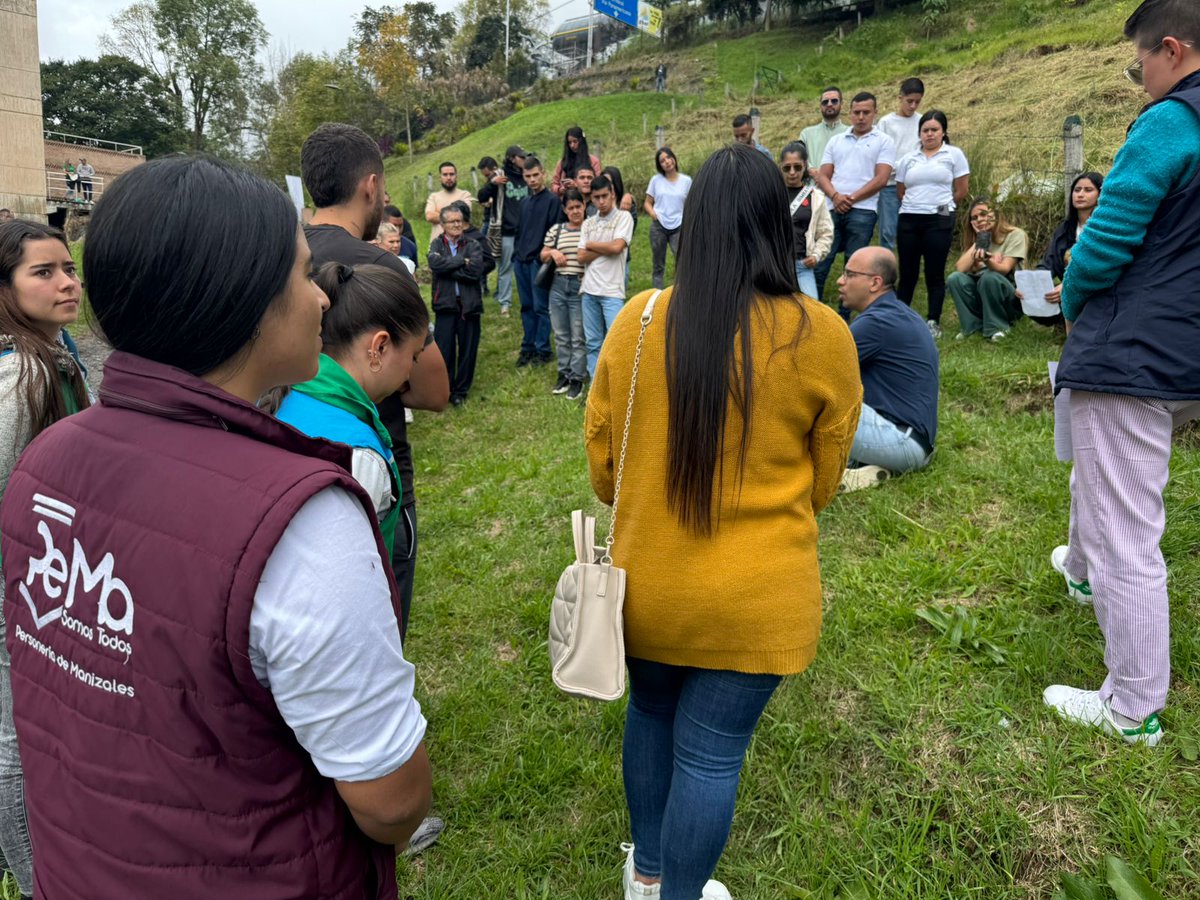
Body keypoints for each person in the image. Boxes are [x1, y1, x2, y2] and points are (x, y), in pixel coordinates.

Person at [0, 154, 432, 897]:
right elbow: (391, 801)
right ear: (237, 300)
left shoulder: (47, 461)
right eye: (301, 277)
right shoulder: (300, 519)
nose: (322, 302)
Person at [584, 143, 860, 900]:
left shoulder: (637, 321)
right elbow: (825, 481)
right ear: (780, 221)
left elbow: (604, 468)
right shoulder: (824, 333)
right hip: (761, 600)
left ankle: (645, 875)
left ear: (693, 221)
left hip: (648, 589)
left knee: (650, 712)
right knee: (710, 757)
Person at [1044, 0, 1200, 748]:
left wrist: (1072, 295)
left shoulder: (1171, 120)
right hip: (1181, 350)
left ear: (1172, 49)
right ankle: (1080, 570)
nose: (1137, 76)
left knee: (1127, 527)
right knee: (1104, 484)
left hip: (1131, 347)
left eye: (1139, 60)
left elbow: (1106, 236)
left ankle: (1132, 703)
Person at [301, 122, 450, 641]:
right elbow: (433, 391)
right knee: (375, 614)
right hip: (374, 463)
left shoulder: (271, 259)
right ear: (370, 186)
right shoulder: (381, 267)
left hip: (281, 461)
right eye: (383, 189)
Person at [0, 220, 92, 900]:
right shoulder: (18, 375)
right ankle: (36, 881)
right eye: (44, 272)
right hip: (15, 588)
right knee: (12, 742)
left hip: (47, 579)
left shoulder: (57, 356)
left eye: (69, 268)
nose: (67, 282)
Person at [275, 261, 429, 563]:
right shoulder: (357, 454)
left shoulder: (288, 393)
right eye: (413, 355)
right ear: (379, 348)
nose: (411, 371)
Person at [836, 247, 938, 491]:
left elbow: (817, 370)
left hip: (900, 442)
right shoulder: (898, 315)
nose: (840, 281)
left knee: (805, 397)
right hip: (913, 444)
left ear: (875, 283)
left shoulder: (877, 322)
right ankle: (861, 469)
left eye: (849, 274)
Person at [812, 92, 897, 315]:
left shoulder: (884, 141)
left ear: (875, 113)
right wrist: (836, 197)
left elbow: (881, 178)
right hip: (832, 207)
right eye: (857, 112)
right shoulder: (836, 140)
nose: (861, 117)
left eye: (866, 112)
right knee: (822, 261)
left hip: (863, 210)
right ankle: (815, 313)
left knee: (854, 267)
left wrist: (851, 198)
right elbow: (823, 175)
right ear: (850, 113)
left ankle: (843, 317)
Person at [894, 109, 970, 338]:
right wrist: (918, 206)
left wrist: (940, 209)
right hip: (909, 218)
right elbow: (900, 191)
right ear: (919, 134)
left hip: (939, 220)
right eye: (925, 130)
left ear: (943, 132)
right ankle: (900, 317)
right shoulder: (908, 159)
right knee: (907, 272)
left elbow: (961, 190)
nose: (929, 134)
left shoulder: (953, 155)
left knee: (934, 272)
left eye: (934, 130)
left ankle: (933, 320)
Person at [428, 205, 493, 405]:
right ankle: (446, 388)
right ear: (442, 225)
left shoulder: (473, 244)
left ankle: (460, 392)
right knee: (445, 350)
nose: (457, 224)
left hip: (469, 306)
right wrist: (461, 261)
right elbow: (435, 265)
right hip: (445, 305)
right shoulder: (436, 244)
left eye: (459, 220)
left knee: (468, 350)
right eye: (452, 221)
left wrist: (448, 267)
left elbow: (475, 271)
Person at [946, 198, 1027, 341]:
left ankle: (997, 328)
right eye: (975, 217)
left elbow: (1004, 269)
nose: (980, 219)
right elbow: (960, 269)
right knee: (955, 279)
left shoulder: (1015, 235)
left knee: (989, 276)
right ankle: (971, 327)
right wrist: (980, 239)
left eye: (984, 214)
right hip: (984, 296)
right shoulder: (977, 239)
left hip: (1011, 299)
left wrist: (987, 261)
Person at [1030, 172, 1103, 328]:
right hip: (1066, 292)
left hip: (1096, 290)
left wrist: (1068, 285)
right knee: (1026, 295)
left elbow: (1100, 268)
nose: (1081, 194)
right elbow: (1048, 262)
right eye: (1077, 190)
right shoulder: (1064, 229)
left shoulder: (1104, 228)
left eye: (1088, 190)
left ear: (1100, 194)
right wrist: (1031, 284)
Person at [579, 174, 634, 378]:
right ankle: (596, 386)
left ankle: (618, 383)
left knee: (616, 341)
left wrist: (592, 244)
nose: (601, 202)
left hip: (612, 291)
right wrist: (607, 247)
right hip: (589, 290)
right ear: (591, 198)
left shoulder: (624, 218)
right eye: (596, 197)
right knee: (593, 342)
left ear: (612, 194)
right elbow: (581, 256)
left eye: (604, 196)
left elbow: (618, 247)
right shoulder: (588, 223)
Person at [512, 156, 561, 367]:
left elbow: (555, 231)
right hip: (521, 260)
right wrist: (516, 254)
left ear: (543, 174)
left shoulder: (553, 201)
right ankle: (528, 347)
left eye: (535, 175)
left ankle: (543, 349)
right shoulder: (524, 203)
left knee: (540, 307)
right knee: (526, 306)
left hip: (538, 261)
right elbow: (520, 231)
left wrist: (544, 257)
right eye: (527, 176)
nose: (532, 180)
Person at [541, 188, 588, 399]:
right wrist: (553, 252)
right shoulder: (557, 230)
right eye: (571, 208)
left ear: (584, 206)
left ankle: (577, 377)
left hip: (580, 285)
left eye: (578, 206)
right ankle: (564, 373)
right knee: (561, 334)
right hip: (558, 285)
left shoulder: (590, 228)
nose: (575, 211)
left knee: (578, 335)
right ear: (565, 210)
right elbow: (543, 253)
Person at [875, 78, 926, 251]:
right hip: (890, 185)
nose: (912, 106)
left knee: (911, 230)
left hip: (914, 185)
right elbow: (879, 157)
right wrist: (901, 166)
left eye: (917, 102)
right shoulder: (886, 123)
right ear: (900, 98)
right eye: (909, 101)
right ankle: (886, 266)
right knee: (888, 231)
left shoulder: (922, 122)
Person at [478, 145, 528, 316]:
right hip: (506, 230)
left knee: (526, 268)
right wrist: (492, 183)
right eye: (521, 157)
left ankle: (527, 302)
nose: (524, 160)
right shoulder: (500, 176)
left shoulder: (527, 174)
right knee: (506, 268)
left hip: (526, 230)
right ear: (512, 158)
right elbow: (481, 196)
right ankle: (504, 304)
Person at [779, 142, 833, 298]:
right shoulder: (772, 194)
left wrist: (816, 255)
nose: (792, 172)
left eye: (797, 167)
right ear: (781, 167)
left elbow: (826, 233)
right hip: (776, 266)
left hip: (802, 267)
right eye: (787, 168)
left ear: (805, 166)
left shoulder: (816, 197)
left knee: (811, 313)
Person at [644, 147, 691, 291]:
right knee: (658, 263)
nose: (667, 162)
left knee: (682, 260)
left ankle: (682, 290)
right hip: (659, 226)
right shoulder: (656, 180)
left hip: (679, 226)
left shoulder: (687, 181)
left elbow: (691, 203)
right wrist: (653, 214)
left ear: (674, 158)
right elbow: (647, 202)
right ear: (660, 165)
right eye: (662, 161)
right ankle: (656, 293)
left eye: (668, 157)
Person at [798, 87, 849, 172]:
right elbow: (799, 158)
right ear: (820, 106)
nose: (829, 104)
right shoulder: (806, 134)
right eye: (825, 102)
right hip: (813, 183)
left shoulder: (850, 133)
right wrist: (812, 171)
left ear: (841, 104)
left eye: (834, 101)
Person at [424, 161, 473, 242]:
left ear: (456, 176)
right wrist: (454, 215)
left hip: (460, 246)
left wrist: (438, 212)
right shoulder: (434, 196)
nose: (449, 177)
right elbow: (429, 217)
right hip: (437, 246)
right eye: (445, 175)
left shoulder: (465, 195)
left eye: (451, 174)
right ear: (440, 177)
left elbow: (463, 216)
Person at [552, 126, 602, 197]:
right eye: (569, 143)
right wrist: (560, 189)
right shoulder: (562, 163)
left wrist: (577, 185)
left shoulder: (593, 161)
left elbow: (598, 184)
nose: (572, 145)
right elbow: (554, 184)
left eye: (575, 141)